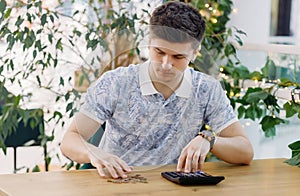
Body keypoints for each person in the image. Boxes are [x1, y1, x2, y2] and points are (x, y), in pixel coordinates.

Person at [60, 1, 254, 179]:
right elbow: (69, 140)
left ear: (195, 53)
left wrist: (209, 139)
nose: (166, 64)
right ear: (149, 43)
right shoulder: (115, 82)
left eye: (178, 57)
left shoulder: (207, 89)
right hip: (117, 183)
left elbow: (245, 151)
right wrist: (94, 153)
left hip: (173, 186)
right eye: (159, 52)